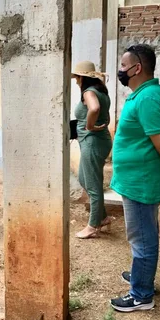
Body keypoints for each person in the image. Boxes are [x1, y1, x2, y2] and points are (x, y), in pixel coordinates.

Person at [110, 44, 160, 312]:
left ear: (137, 68)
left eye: (123, 65)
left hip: (141, 182)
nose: (120, 70)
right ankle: (142, 275)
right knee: (143, 233)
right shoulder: (142, 95)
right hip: (136, 179)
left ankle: (142, 294)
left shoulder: (149, 98)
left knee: (142, 237)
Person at [72, 61, 113, 239]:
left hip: (93, 141)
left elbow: (94, 109)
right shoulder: (102, 91)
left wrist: (89, 126)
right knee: (84, 178)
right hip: (98, 140)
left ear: (82, 78)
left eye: (77, 78)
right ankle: (102, 217)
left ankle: (93, 225)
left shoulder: (89, 92)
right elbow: (106, 114)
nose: (75, 81)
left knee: (93, 184)